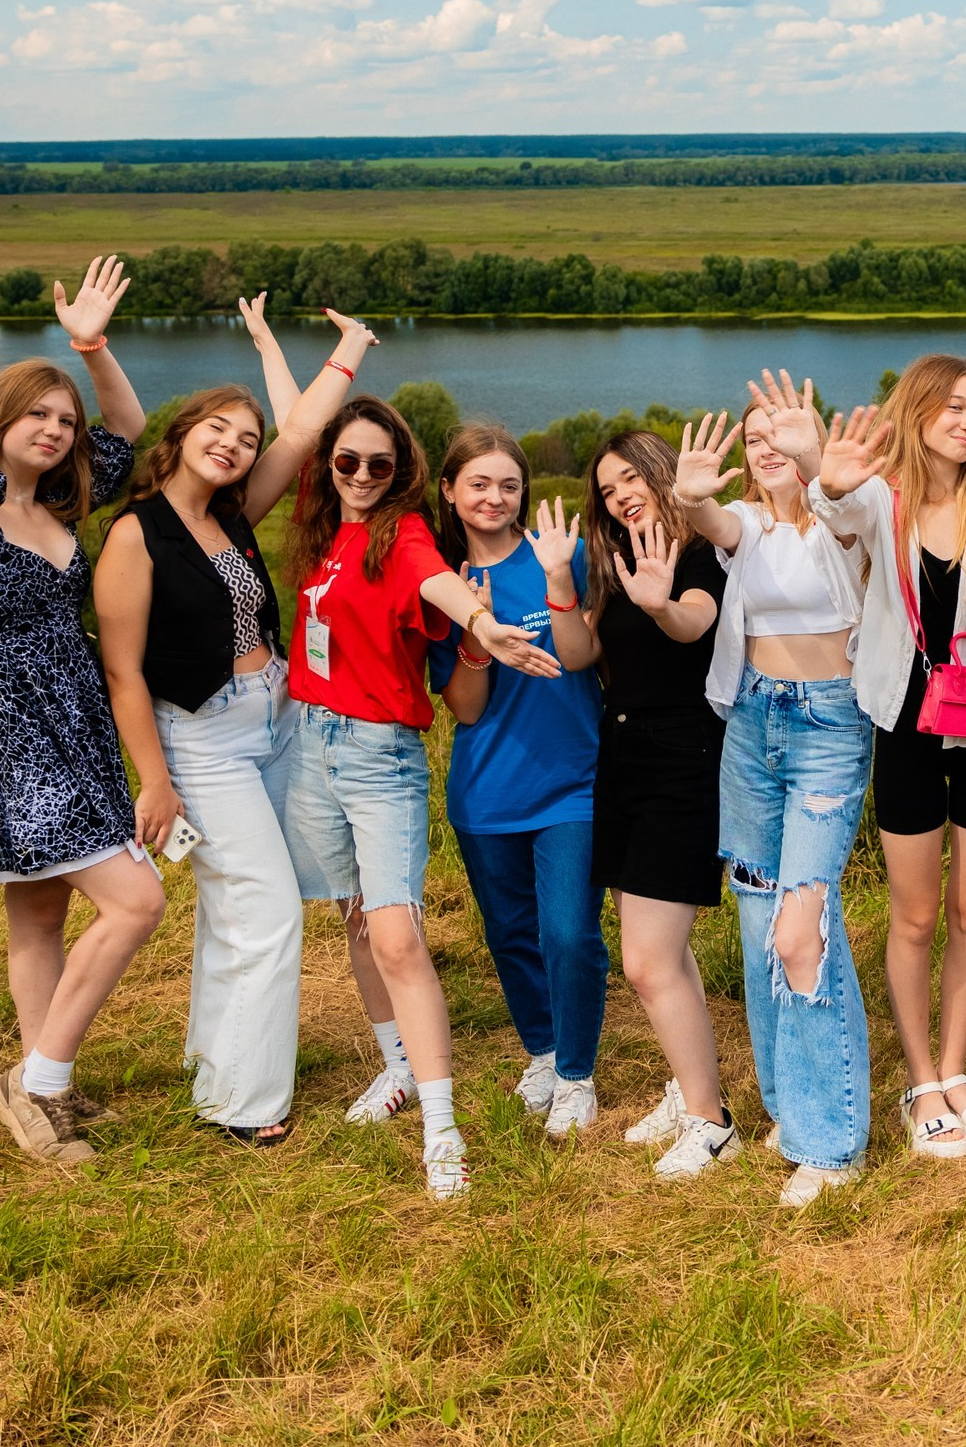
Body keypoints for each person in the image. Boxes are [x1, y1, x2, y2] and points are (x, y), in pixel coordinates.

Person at [93, 299, 375, 1146]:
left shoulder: (230, 515)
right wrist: (155, 780)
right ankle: (245, 1104)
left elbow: (301, 432)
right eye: (219, 430)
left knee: (234, 907)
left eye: (247, 439)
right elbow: (123, 673)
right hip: (201, 736)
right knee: (267, 907)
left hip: (275, 719)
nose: (237, 447)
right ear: (179, 436)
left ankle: (215, 1063)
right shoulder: (135, 538)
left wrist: (350, 347)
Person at [283, 395, 561, 1200]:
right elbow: (295, 425)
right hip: (311, 744)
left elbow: (434, 582)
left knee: (398, 935)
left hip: (376, 756)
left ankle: (443, 1128)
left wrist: (482, 622)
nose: (362, 475)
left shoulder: (398, 533)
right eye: (347, 462)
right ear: (328, 466)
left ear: (402, 472)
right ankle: (397, 1067)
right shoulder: (319, 521)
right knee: (354, 919)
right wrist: (301, 350)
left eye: (380, 464)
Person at [0, 258, 154, 1165]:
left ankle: (42, 1081)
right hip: (7, 729)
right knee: (135, 900)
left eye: (63, 421)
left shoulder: (62, 499)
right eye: (37, 416)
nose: (56, 430)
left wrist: (89, 349)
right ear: (2, 418)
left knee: (41, 916)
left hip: (74, 715)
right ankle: (33, 1081)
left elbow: (127, 428)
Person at [808, 354, 966, 1162]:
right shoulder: (882, 496)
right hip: (903, 722)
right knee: (915, 914)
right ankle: (918, 1081)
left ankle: (956, 1068)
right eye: (954, 407)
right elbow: (834, 511)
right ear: (919, 409)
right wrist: (828, 482)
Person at [674, 373, 880, 1206]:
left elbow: (849, 521)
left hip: (830, 729)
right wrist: (691, 503)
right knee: (762, 924)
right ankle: (792, 1110)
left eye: (780, 434)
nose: (765, 448)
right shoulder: (749, 527)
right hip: (752, 728)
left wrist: (820, 468)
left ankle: (833, 1146)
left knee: (803, 927)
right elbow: (717, 522)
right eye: (753, 438)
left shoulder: (849, 512)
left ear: (812, 437)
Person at [541, 429, 739, 1182]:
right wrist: (562, 578)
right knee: (665, 955)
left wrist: (658, 605)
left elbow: (695, 621)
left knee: (647, 960)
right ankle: (689, 1087)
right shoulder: (620, 560)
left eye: (632, 477)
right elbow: (579, 654)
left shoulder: (700, 554)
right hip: (620, 760)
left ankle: (712, 1122)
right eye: (608, 487)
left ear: (661, 474)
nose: (621, 493)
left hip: (682, 762)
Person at [430, 424, 608, 1141]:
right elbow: (465, 707)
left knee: (568, 931)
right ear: (449, 490)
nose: (494, 497)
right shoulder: (442, 585)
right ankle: (543, 1048)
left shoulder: (561, 555)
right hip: (487, 790)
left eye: (508, 484)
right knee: (510, 934)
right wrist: (476, 637)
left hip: (574, 779)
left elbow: (591, 656)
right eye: (478, 483)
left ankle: (576, 1074)